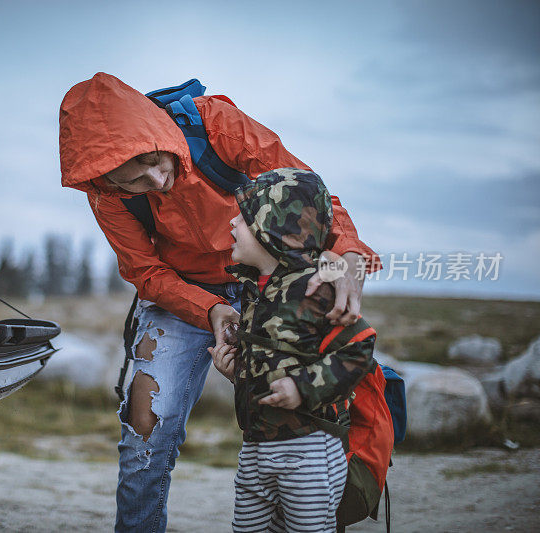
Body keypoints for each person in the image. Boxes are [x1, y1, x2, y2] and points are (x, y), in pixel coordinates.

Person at [58, 72, 380, 532]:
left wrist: (348, 255)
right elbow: (145, 271)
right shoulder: (105, 193)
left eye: (154, 160)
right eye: (136, 181)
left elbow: (306, 190)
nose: (157, 179)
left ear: (157, 133)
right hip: (183, 297)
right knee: (144, 428)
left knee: (321, 407)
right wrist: (207, 309)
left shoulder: (215, 124)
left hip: (268, 284)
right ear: (107, 182)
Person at [209, 168, 377, 532]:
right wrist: (236, 372)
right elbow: (274, 359)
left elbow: (359, 348)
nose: (234, 222)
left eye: (245, 215)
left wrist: (303, 387)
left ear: (276, 227)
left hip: (309, 450)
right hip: (255, 445)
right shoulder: (255, 291)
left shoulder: (317, 285)